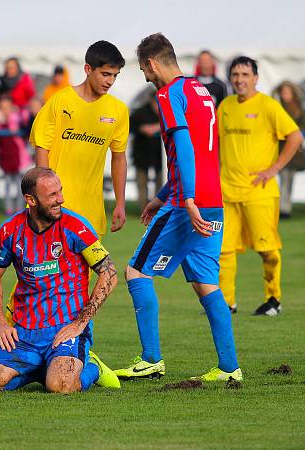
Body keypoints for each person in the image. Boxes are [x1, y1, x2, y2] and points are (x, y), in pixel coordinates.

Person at [115, 33, 241, 382]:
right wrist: (162, 194)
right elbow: (204, 153)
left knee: (136, 272)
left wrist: (184, 199)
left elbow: (184, 145)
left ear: (153, 63)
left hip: (189, 204)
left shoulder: (169, 94)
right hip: (212, 200)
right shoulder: (201, 92)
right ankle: (230, 368)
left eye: (143, 69)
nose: (145, 76)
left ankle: (151, 359)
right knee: (206, 283)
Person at [0, 168, 120, 392]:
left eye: (60, 192)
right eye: (52, 195)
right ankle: (40, 368)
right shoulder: (10, 231)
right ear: (30, 200)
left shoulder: (76, 227)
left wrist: (81, 323)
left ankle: (93, 368)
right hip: (24, 331)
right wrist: (0, 323)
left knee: (61, 386)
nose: (60, 199)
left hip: (66, 328)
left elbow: (109, 273)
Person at [217, 57, 304, 316]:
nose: (239, 79)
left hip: (259, 192)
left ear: (255, 77)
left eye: (245, 74)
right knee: (224, 251)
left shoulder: (268, 105)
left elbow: (295, 136)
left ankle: (273, 299)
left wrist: (274, 169)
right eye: (235, 74)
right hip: (227, 191)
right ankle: (226, 303)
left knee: (267, 250)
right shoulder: (225, 106)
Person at [31, 40, 129, 238]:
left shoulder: (118, 110)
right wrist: (45, 197)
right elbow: (42, 148)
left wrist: (120, 203)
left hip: (91, 212)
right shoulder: (60, 100)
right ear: (87, 69)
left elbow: (119, 157)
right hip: (54, 207)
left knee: (85, 270)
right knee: (48, 268)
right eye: (105, 74)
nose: (110, 81)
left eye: (115, 76)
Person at [0, 96, 29, 214]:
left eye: (7, 107)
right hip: (5, 156)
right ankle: (9, 209)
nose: (5, 110)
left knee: (19, 184)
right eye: (2, 108)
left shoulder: (17, 118)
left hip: (17, 156)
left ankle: (19, 209)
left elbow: (26, 121)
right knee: (7, 183)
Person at [273, 81, 305, 219]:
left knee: (290, 178)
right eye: (283, 92)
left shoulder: (299, 108)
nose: (285, 95)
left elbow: (302, 126)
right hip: (281, 148)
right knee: (283, 178)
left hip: (294, 149)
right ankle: (283, 207)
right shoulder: (278, 107)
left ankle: (286, 206)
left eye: (287, 92)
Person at [129, 90, 163, 207]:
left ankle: (158, 208)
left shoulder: (166, 113)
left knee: (161, 182)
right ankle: (144, 210)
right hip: (141, 154)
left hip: (160, 155)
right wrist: (143, 128)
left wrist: (155, 127)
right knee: (142, 183)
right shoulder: (140, 113)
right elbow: (130, 127)